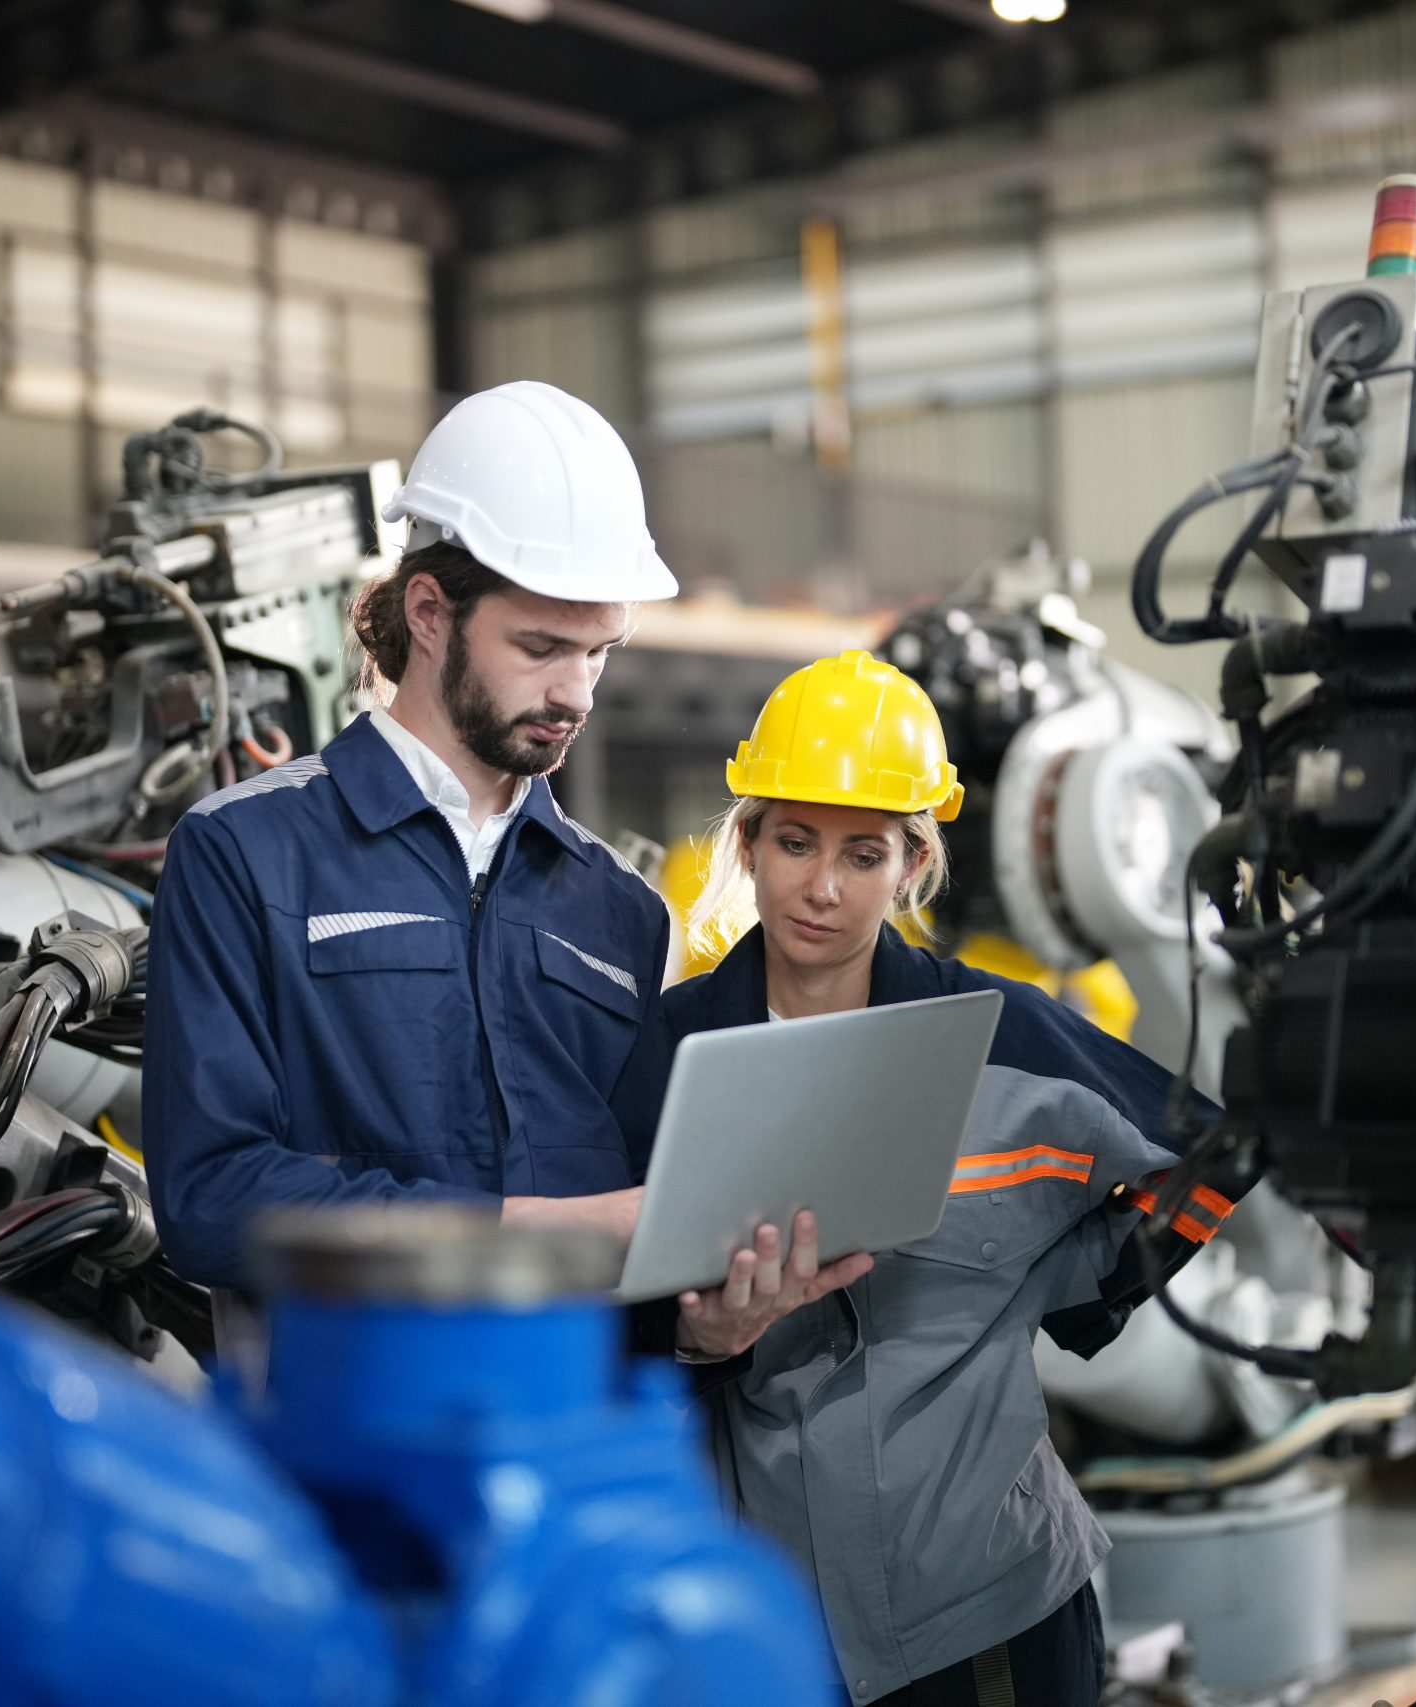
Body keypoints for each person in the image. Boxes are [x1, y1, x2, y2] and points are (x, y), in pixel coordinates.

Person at [144, 379, 853, 1362]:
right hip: (342, 1452)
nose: (574, 692)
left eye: (598, 653)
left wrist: (709, 1327)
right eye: (540, 647)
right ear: (428, 612)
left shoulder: (619, 912)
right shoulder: (246, 855)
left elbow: (649, 1231)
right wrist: (534, 1231)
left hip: (570, 1444)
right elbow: (210, 1200)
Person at [668, 650, 1206, 1706]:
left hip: (990, 1603)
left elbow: (1206, 1156)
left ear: (913, 864)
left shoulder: (1001, 1038)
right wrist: (695, 1340)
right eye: (792, 842)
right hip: (772, 1617)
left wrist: (1066, 1288)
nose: (822, 886)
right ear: (746, 840)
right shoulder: (668, 1058)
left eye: (863, 854)